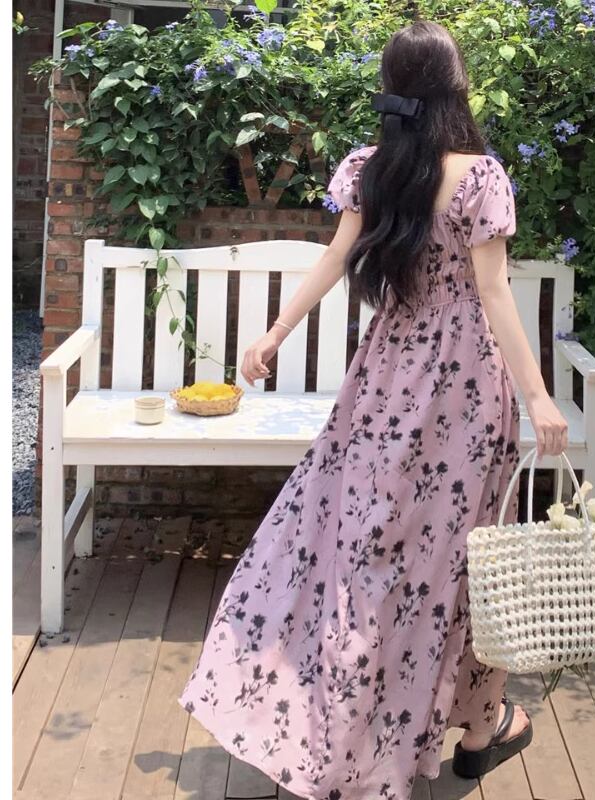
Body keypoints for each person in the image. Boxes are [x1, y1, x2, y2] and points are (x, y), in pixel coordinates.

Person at [177, 18, 568, 800]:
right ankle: (479, 731)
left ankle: (366, 726)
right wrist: (538, 397)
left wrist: (274, 333)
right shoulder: (481, 178)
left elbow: (335, 259)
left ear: (393, 89)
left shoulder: (371, 170)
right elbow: (494, 294)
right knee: (469, 562)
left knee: (363, 551)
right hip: (465, 393)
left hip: (387, 383)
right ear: (454, 88)